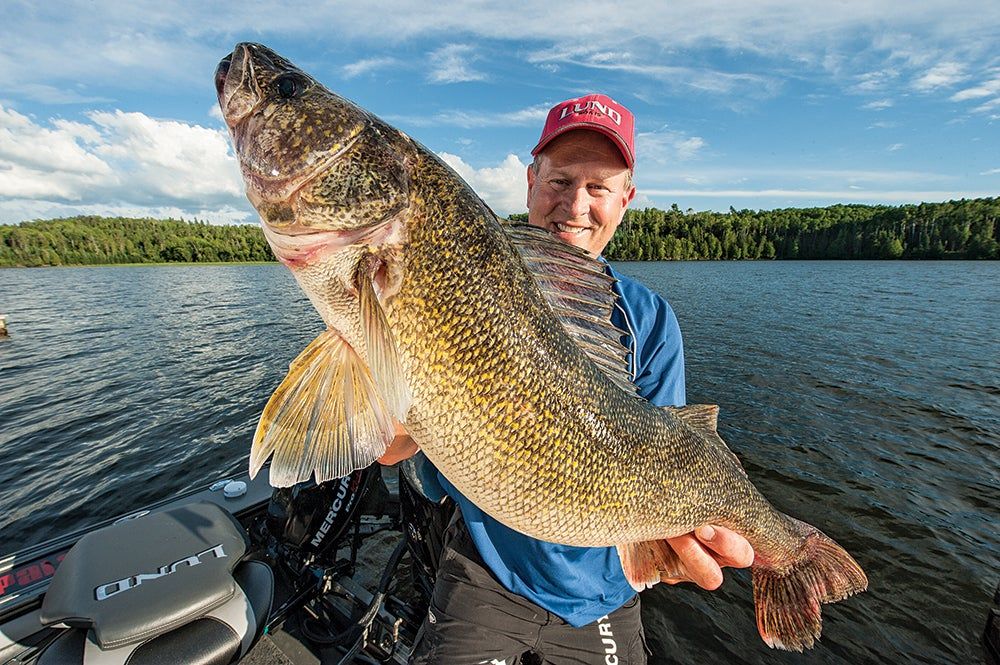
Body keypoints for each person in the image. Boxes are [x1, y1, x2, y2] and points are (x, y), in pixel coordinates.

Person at [381, 94, 754, 664]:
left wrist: (673, 545)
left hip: (602, 594)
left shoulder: (649, 321)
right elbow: (390, 449)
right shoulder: (452, 281)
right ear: (531, 182)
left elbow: (671, 451)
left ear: (626, 199)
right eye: (559, 181)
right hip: (486, 565)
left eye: (598, 187)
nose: (575, 205)